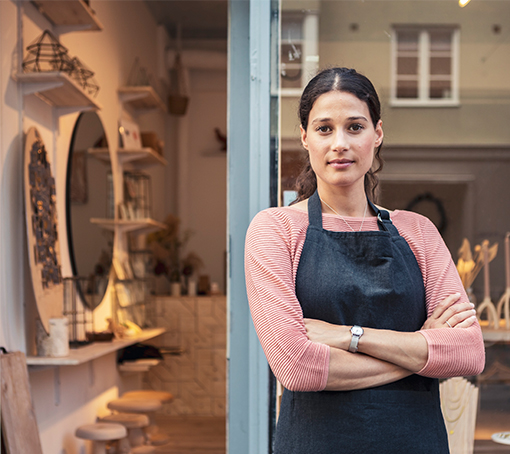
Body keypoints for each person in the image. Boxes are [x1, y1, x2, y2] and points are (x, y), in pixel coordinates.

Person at [244, 67, 485, 453]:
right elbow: (296, 366)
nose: (340, 143)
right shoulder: (276, 230)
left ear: (378, 133)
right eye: (324, 129)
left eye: (355, 127)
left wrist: (347, 336)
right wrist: (422, 349)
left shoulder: (418, 231)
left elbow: (468, 353)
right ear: (305, 138)